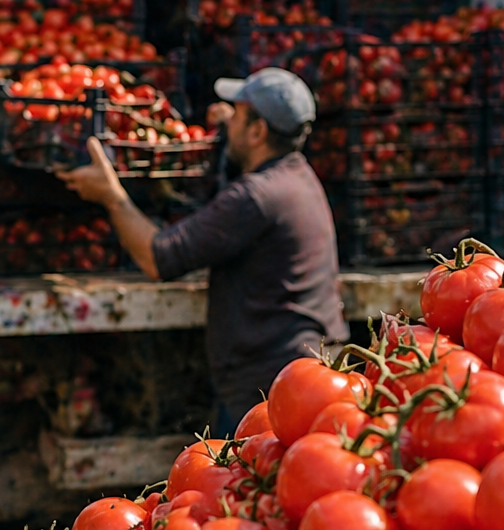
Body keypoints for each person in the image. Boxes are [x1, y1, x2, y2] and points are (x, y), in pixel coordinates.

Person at [59, 67, 348, 433]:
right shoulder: (297, 178)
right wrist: (235, 127)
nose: (228, 120)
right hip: (295, 373)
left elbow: (157, 257)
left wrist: (111, 197)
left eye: (238, 114)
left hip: (266, 389)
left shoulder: (255, 197)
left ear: (258, 131)